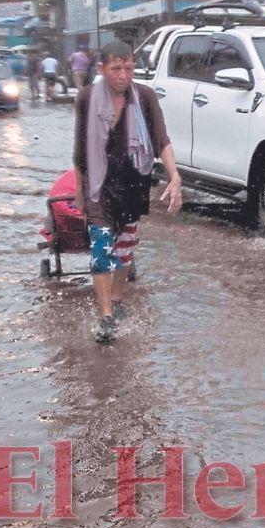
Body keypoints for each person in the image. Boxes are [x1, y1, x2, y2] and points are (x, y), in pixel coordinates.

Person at [73, 41, 183, 343]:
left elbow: (162, 139)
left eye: (128, 68)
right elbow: (80, 150)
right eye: (115, 68)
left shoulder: (145, 97)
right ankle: (106, 316)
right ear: (101, 69)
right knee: (101, 251)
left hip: (133, 184)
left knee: (123, 252)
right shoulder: (86, 98)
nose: (123, 75)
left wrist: (174, 176)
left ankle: (117, 298)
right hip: (98, 185)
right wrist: (80, 195)